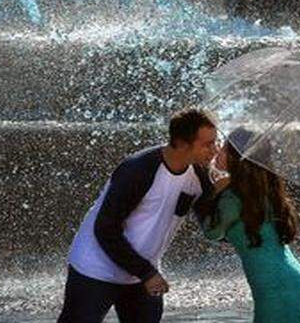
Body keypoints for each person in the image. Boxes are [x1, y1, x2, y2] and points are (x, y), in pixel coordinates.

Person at [58, 109, 219, 323]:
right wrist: (147, 273)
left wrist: (232, 193)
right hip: (97, 268)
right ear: (182, 143)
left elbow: (213, 227)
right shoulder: (138, 170)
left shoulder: (199, 175)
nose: (214, 150)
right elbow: (105, 229)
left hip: (142, 274)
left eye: (215, 143)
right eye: (207, 144)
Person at [202, 129, 300, 323]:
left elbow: (212, 232)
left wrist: (216, 192)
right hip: (296, 281)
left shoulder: (231, 198)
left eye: (225, 149)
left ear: (238, 159)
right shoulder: (266, 190)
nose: (218, 150)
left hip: (273, 288)